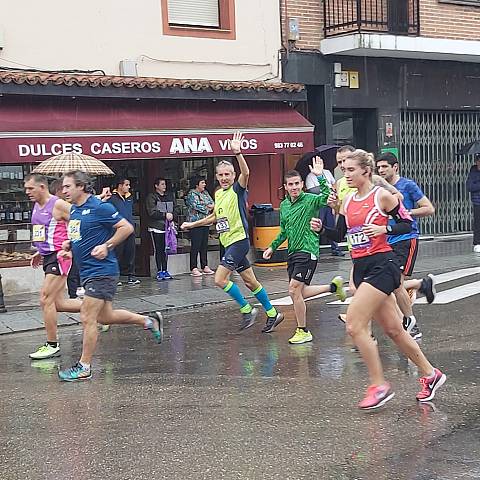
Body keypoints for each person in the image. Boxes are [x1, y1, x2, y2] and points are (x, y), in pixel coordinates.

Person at [315, 149, 446, 409]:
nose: (346, 174)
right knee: (394, 330)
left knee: (353, 325)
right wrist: (323, 229)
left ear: (366, 171)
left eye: (351, 169)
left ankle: (378, 385)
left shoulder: (382, 197)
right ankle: (431, 375)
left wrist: (383, 228)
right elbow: (341, 234)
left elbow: (407, 224)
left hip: (382, 265)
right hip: (361, 267)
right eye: (344, 170)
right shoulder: (348, 201)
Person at [57, 170, 163, 382]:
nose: (64, 190)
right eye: (63, 187)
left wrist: (107, 245)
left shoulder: (100, 207)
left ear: (81, 186)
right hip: (88, 272)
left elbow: (127, 227)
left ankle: (84, 366)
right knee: (105, 317)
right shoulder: (76, 210)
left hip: (102, 271)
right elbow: (82, 235)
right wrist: (70, 246)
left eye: (68, 186)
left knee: (87, 317)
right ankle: (149, 320)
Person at [181, 132, 283, 333]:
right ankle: (273, 314)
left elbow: (247, 173)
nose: (224, 178)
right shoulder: (218, 194)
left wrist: (238, 153)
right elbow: (215, 218)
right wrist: (192, 225)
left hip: (239, 240)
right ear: (217, 177)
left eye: (228, 174)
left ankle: (247, 309)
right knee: (250, 281)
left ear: (233, 176)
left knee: (219, 279)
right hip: (228, 242)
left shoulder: (238, 189)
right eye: (221, 175)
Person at [263, 160, 346, 344]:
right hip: (292, 252)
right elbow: (284, 230)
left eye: (297, 184)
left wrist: (319, 176)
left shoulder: (310, 200)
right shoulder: (284, 206)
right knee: (299, 292)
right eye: (290, 184)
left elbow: (326, 196)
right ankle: (333, 288)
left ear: (302, 184)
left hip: (308, 250)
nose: (294, 187)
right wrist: (272, 247)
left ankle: (303, 330)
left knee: (293, 289)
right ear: (285, 187)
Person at [376, 152, 437, 340]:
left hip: (405, 238)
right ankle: (421, 284)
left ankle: (411, 326)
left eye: (385, 166)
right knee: (391, 284)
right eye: (379, 167)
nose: (381, 170)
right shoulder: (379, 189)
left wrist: (404, 212)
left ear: (395, 167)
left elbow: (429, 208)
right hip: (386, 240)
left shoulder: (407, 185)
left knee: (396, 284)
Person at [25, 174, 83, 360]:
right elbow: (44, 231)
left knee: (45, 298)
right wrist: (40, 252)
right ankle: (96, 310)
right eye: (26, 189)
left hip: (60, 255)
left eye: (30, 188)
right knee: (58, 303)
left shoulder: (57, 204)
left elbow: (79, 221)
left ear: (42, 187)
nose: (27, 192)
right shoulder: (36, 205)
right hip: (48, 255)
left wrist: (70, 244)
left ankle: (52, 344)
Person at [305, 164, 344, 256]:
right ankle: (314, 249)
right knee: (317, 225)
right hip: (319, 204)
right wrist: (326, 188)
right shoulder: (310, 176)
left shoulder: (327, 172)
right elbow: (312, 190)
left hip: (329, 203)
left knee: (331, 225)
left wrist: (332, 190)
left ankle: (335, 248)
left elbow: (334, 184)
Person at [108, 177, 140, 286]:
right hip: (117, 230)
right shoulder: (112, 198)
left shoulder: (129, 197)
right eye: (127, 185)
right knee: (117, 253)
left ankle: (131, 275)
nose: (129, 187)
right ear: (120, 186)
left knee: (130, 253)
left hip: (130, 229)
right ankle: (115, 276)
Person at [146, 177, 175, 280]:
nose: (164, 186)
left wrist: (172, 216)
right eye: (162, 184)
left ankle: (165, 269)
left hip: (167, 227)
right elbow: (152, 212)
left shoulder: (168, 196)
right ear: (156, 186)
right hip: (157, 227)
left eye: (165, 184)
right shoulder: (152, 197)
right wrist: (164, 215)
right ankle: (159, 270)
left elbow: (173, 209)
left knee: (166, 249)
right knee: (158, 249)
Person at [185, 176, 215, 276]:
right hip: (195, 223)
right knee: (195, 245)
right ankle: (193, 267)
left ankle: (204, 265)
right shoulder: (191, 194)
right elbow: (197, 206)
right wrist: (208, 207)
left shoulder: (205, 193)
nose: (204, 185)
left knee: (204, 245)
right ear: (197, 184)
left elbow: (212, 203)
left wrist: (209, 206)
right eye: (202, 183)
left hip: (206, 222)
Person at [466, 154, 480, 253]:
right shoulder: (473, 171)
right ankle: (477, 243)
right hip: (478, 201)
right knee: (478, 223)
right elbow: (470, 187)